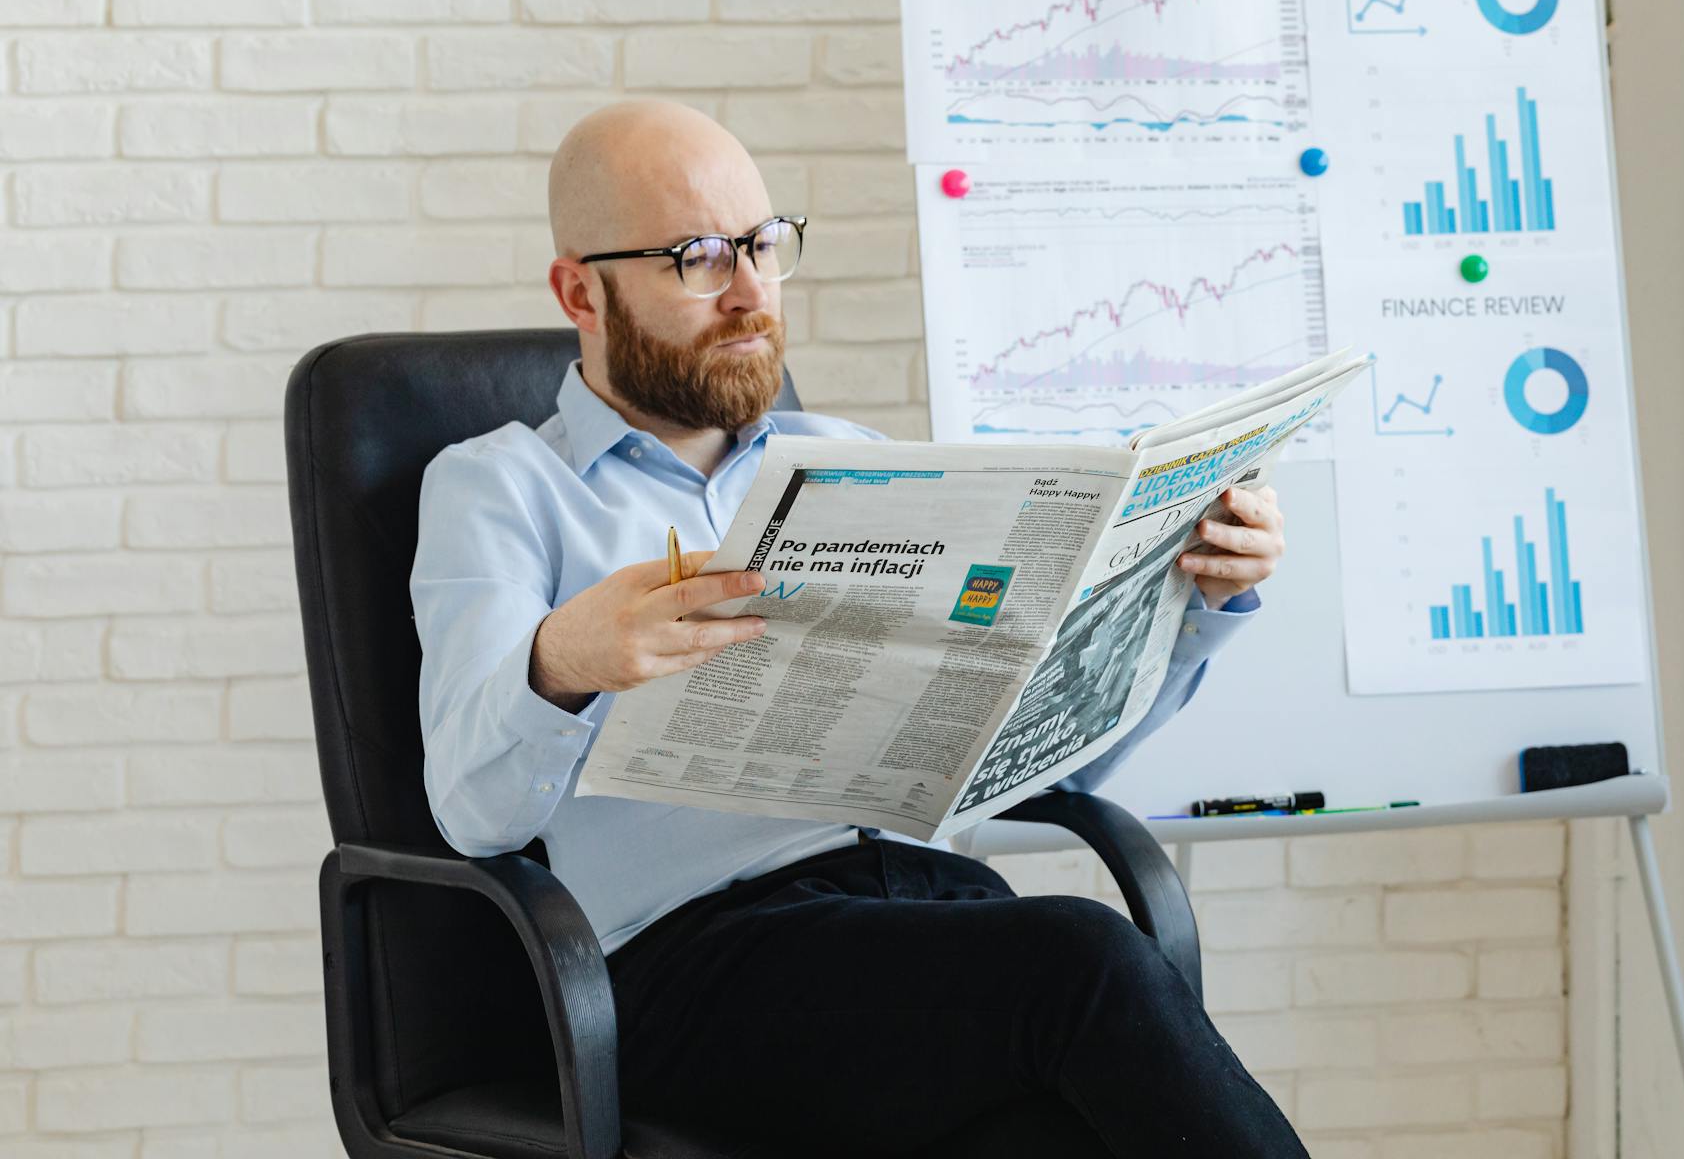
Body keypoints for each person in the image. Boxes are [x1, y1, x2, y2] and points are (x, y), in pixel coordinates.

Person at [409, 98, 1310, 1157]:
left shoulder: (851, 454)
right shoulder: (502, 485)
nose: (750, 291)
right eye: (698, 257)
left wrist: (1193, 605)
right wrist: (564, 658)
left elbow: (1032, 771)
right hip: (695, 962)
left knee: (1052, 1129)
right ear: (580, 290)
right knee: (1086, 959)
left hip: (920, 916)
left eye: (763, 244)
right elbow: (472, 810)